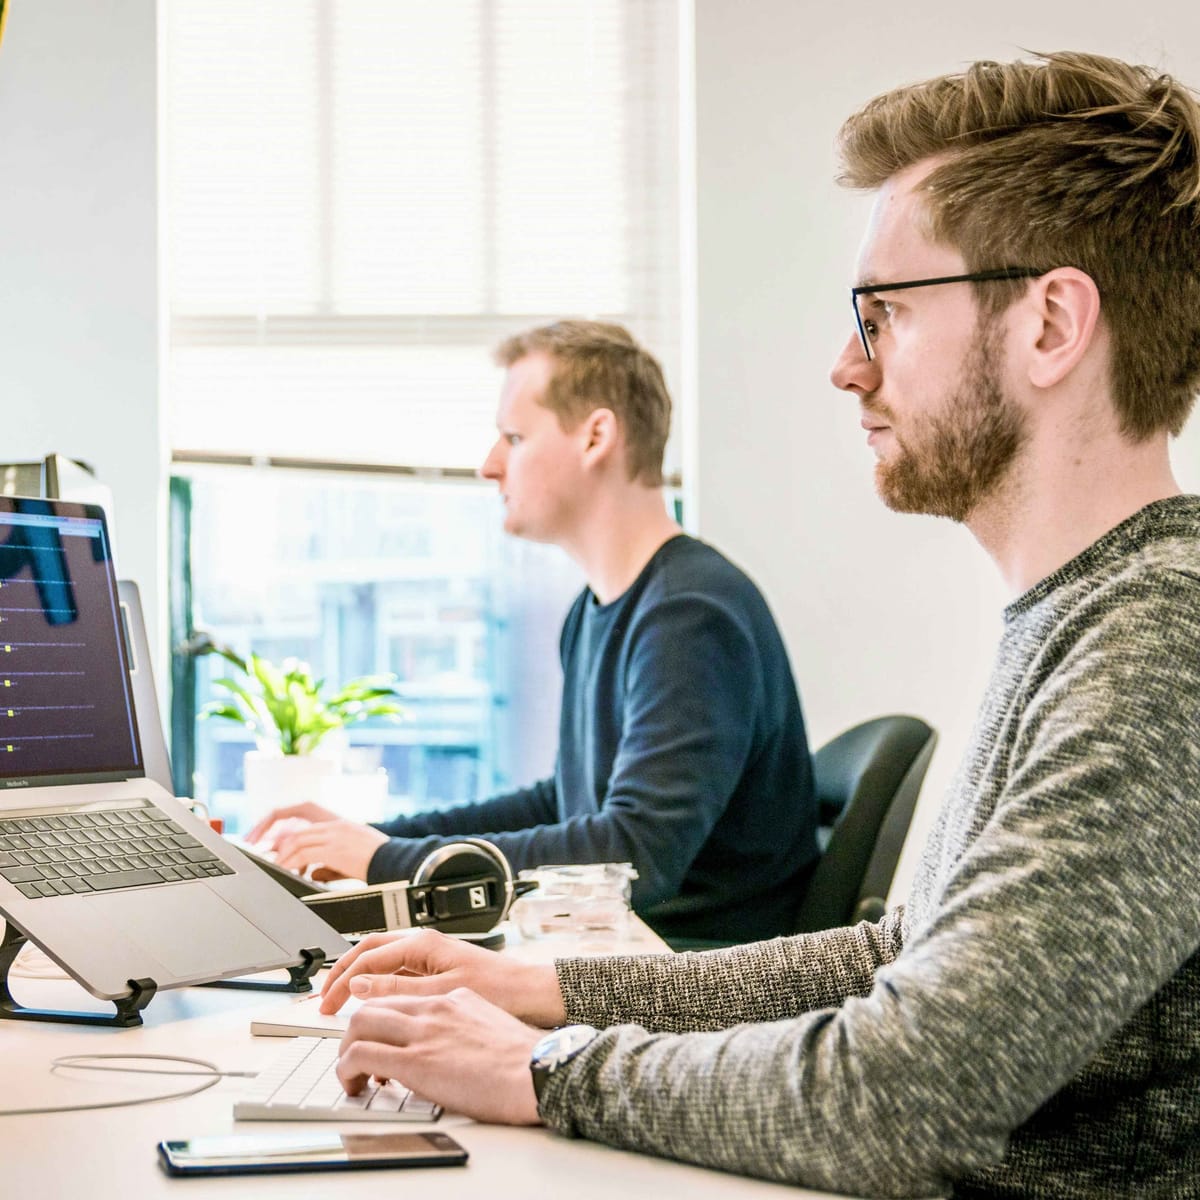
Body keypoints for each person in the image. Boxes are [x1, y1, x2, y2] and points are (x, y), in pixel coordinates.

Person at [312, 52, 1200, 1199]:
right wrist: (546, 992)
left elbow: (903, 1091)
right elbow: (898, 962)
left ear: (1049, 325)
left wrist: (544, 1069)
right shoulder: (1082, 614)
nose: (846, 367)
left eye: (883, 316)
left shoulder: (1158, 641)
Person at [249, 319, 819, 946]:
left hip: (691, 975)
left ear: (596, 436)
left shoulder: (691, 615)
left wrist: (387, 862)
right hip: (625, 950)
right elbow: (565, 804)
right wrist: (378, 839)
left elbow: (634, 856)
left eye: (514, 437)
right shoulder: (598, 610)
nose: (489, 466)